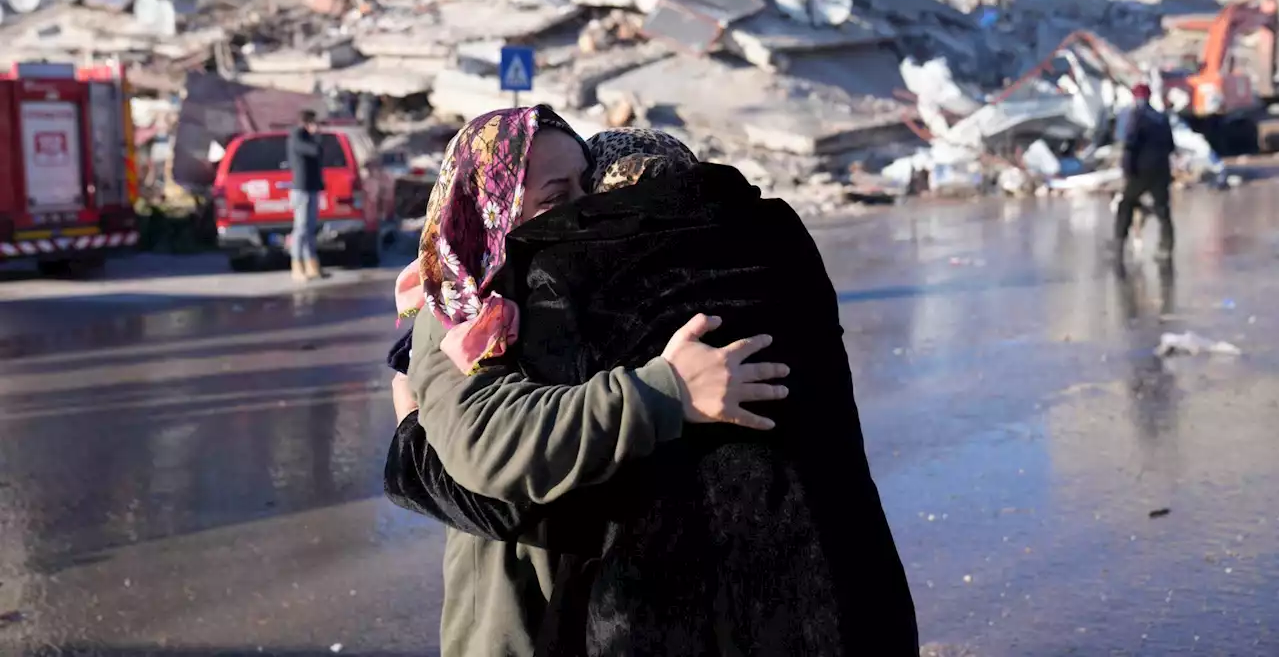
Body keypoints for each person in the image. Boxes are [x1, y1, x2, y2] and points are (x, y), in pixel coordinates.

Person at [388, 126, 917, 655]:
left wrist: (413, 447)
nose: (580, 220)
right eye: (561, 198)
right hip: (515, 619)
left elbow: (529, 500)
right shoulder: (466, 305)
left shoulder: (593, 304)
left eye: (590, 200)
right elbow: (502, 464)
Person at [1115, 83, 1176, 261]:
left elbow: (1130, 144)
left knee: (1125, 204)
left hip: (1140, 171)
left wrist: (1127, 169)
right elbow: (1171, 146)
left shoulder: (1136, 116)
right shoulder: (1161, 117)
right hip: (1161, 170)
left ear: (1134, 98)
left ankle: (1119, 245)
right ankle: (1166, 246)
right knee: (1163, 209)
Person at [287, 109, 326, 282]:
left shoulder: (307, 137)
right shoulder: (297, 136)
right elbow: (315, 151)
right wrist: (316, 135)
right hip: (301, 189)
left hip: (311, 188)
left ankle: (312, 266)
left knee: (310, 229)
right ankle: (297, 266)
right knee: (301, 229)